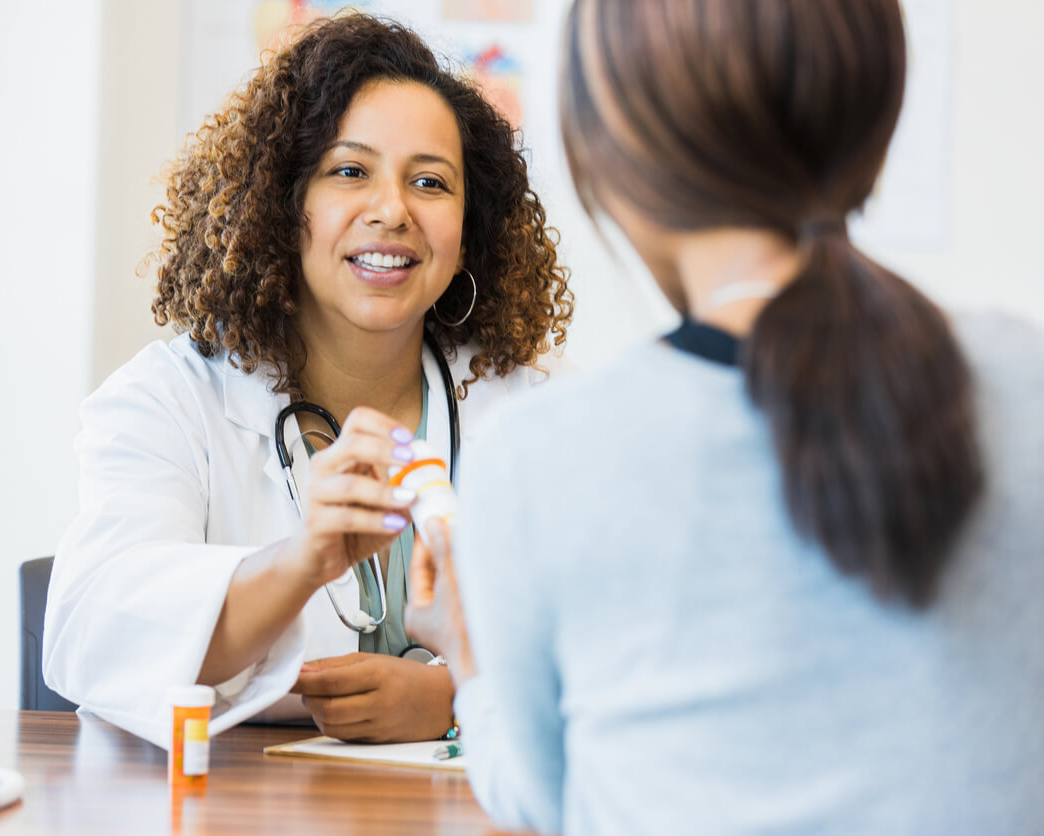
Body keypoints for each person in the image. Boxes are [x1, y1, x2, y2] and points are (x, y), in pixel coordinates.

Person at [406, 0, 1044, 833]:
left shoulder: (539, 458)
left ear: (611, 156)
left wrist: (466, 654)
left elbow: (542, 799)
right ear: (874, 119)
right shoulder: (1026, 383)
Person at [42, 13, 572, 748]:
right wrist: (302, 562)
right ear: (283, 203)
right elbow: (93, 634)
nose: (392, 210)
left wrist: (457, 698)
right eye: (349, 171)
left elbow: (614, 645)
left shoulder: (527, 416)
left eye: (430, 182)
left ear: (467, 230)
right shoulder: (170, 401)